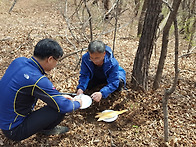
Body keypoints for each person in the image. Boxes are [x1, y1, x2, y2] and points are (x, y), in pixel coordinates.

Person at [0, 38, 82, 141]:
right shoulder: (37, 79)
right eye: (56, 61)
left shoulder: (19, 61)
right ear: (50, 59)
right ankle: (47, 129)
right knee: (57, 110)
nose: (56, 65)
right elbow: (64, 106)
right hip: (14, 130)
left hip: (4, 119)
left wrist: (59, 97)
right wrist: (79, 103)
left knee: (56, 102)